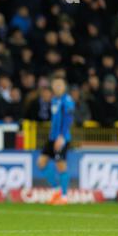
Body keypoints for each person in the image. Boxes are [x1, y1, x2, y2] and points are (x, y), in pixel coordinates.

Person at [37, 77, 74, 205]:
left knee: (61, 166)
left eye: (60, 84)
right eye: (56, 84)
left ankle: (64, 197)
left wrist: (62, 137)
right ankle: (56, 190)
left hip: (61, 139)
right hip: (52, 138)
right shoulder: (54, 100)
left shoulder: (67, 100)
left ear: (64, 87)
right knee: (41, 162)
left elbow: (68, 119)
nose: (58, 86)